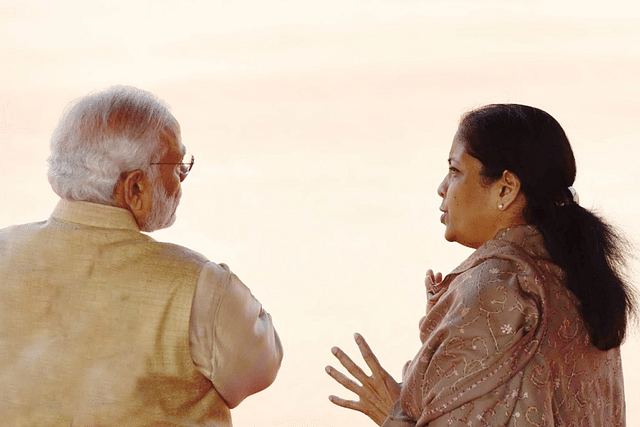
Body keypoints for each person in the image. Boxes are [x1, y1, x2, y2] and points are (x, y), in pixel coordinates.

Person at [325, 104, 635, 426]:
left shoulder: (496, 288)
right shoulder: (579, 275)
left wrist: (393, 414)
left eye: (455, 171)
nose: (442, 187)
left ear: (505, 188)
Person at [0, 86, 283, 427]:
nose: (180, 179)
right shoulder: (198, 286)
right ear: (134, 187)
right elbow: (258, 369)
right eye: (178, 166)